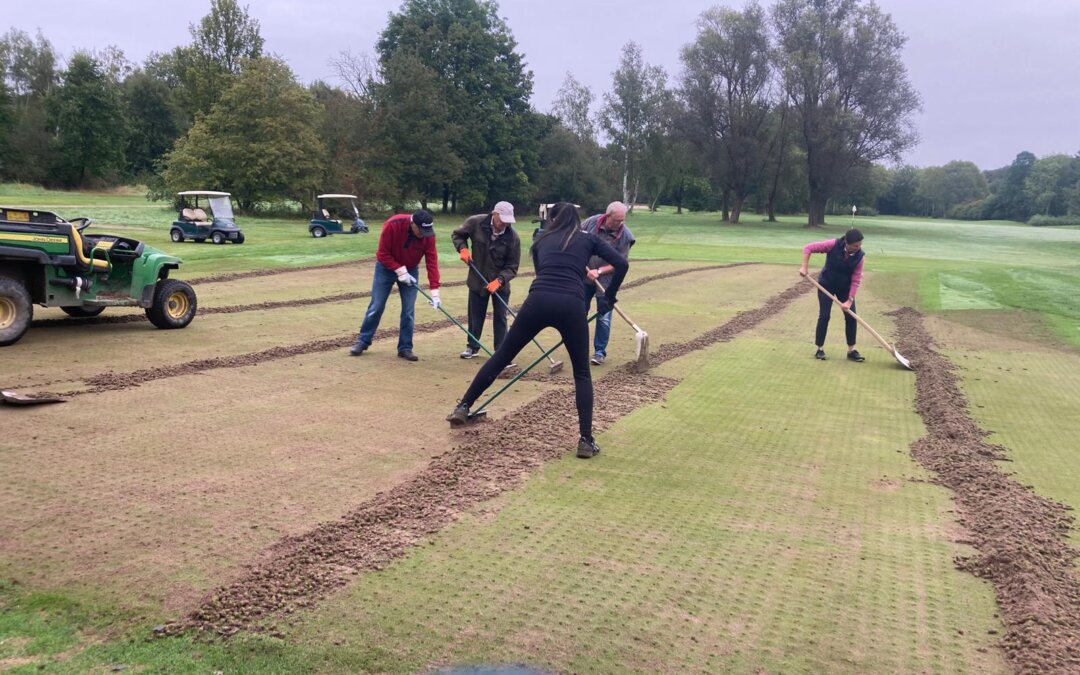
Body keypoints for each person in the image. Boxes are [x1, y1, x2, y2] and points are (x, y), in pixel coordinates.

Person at [446, 202, 629, 459]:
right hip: (571, 305)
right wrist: (608, 297)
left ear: (552, 220)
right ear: (576, 220)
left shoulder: (542, 240)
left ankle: (463, 406)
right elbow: (622, 264)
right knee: (582, 374)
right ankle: (586, 441)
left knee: (501, 358)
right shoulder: (588, 239)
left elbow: (544, 270)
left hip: (538, 302)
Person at [349, 210, 440, 361]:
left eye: (427, 231)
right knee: (376, 306)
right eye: (421, 230)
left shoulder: (428, 236)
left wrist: (435, 292)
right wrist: (399, 270)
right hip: (385, 268)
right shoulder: (393, 225)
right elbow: (382, 253)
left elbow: (432, 262)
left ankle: (405, 348)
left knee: (408, 311)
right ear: (413, 224)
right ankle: (363, 341)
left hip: (411, 270)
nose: (424, 234)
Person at [450, 201, 521, 359]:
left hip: (500, 284)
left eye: (508, 221)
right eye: (502, 219)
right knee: (476, 315)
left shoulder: (513, 237)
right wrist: (462, 248)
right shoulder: (476, 222)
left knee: (501, 317)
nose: (505, 224)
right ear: (494, 214)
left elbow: (512, 266)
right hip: (477, 279)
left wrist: (500, 281)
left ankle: (501, 352)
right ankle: (472, 346)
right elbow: (457, 234)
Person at [799, 228, 865, 362]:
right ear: (847, 242)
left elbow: (856, 279)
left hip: (845, 289)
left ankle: (851, 350)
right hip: (826, 285)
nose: (858, 248)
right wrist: (804, 267)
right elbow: (808, 248)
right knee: (824, 316)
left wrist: (849, 300)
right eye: (855, 246)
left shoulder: (860, 257)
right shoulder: (833, 245)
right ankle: (820, 349)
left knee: (851, 317)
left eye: (860, 245)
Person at [581, 201, 635, 365]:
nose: (620, 224)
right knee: (578, 313)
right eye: (617, 220)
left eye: (622, 220)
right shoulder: (590, 223)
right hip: (583, 277)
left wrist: (598, 271)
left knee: (603, 317)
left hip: (606, 282)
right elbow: (578, 241)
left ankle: (599, 352)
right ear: (607, 215)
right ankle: (578, 348)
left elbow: (620, 263)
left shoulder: (625, 235)